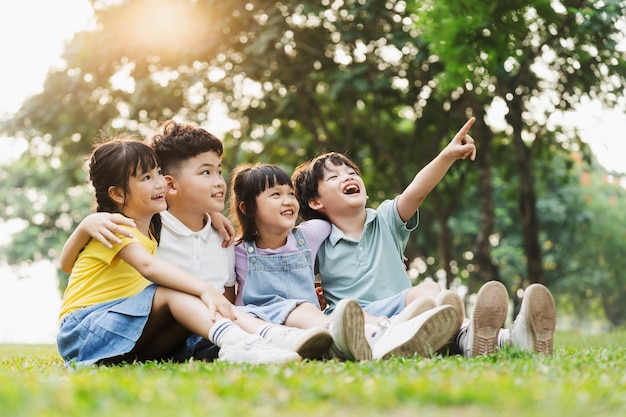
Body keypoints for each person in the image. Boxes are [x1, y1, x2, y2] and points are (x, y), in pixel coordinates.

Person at [60, 121, 332, 361]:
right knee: (173, 290)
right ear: (118, 194)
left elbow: (183, 208)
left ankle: (275, 336)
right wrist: (84, 226)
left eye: (157, 174)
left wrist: (211, 213)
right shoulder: (117, 227)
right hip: (85, 329)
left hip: (126, 336)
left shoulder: (151, 226)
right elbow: (148, 268)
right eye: (147, 177)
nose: (159, 183)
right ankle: (241, 341)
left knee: (192, 316)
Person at [291, 117, 557, 357]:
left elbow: (417, 191)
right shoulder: (316, 239)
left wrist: (447, 156)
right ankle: (427, 334)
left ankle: (505, 338)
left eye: (352, 173)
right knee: (348, 310)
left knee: (428, 291)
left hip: (405, 309)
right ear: (315, 201)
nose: (348, 177)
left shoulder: (385, 219)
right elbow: (284, 265)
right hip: (358, 320)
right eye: (334, 176)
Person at [229, 163, 460, 360]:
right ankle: (393, 332)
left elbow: (348, 226)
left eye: (290, 193)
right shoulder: (235, 249)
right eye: (275, 195)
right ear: (247, 208)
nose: (288, 200)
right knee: (325, 310)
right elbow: (227, 292)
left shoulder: (313, 233)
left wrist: (390, 253)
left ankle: (441, 330)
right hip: (263, 319)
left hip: (311, 319)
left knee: (327, 310)